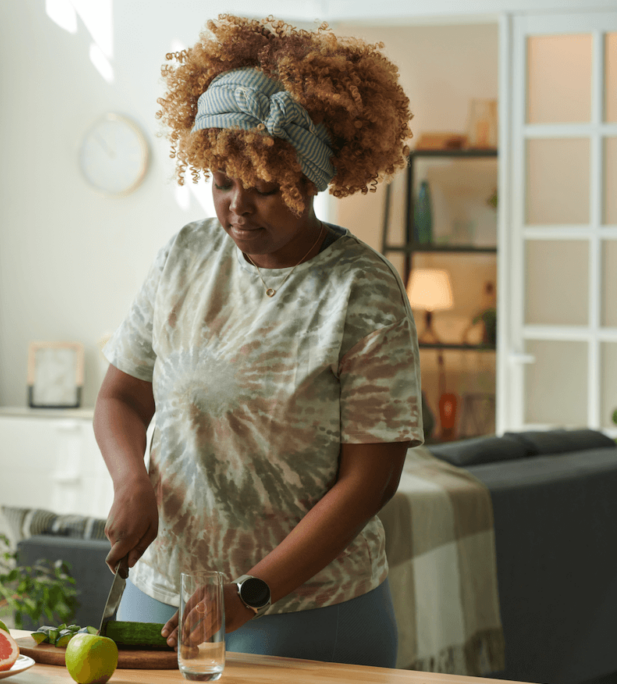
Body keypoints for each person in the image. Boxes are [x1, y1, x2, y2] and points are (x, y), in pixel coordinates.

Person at [94, 15, 422, 668]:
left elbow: (370, 481)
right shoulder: (185, 255)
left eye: (267, 188)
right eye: (221, 181)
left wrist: (249, 593)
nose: (237, 206)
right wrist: (131, 480)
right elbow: (121, 398)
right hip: (159, 592)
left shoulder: (361, 291)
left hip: (305, 608)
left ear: (313, 181)